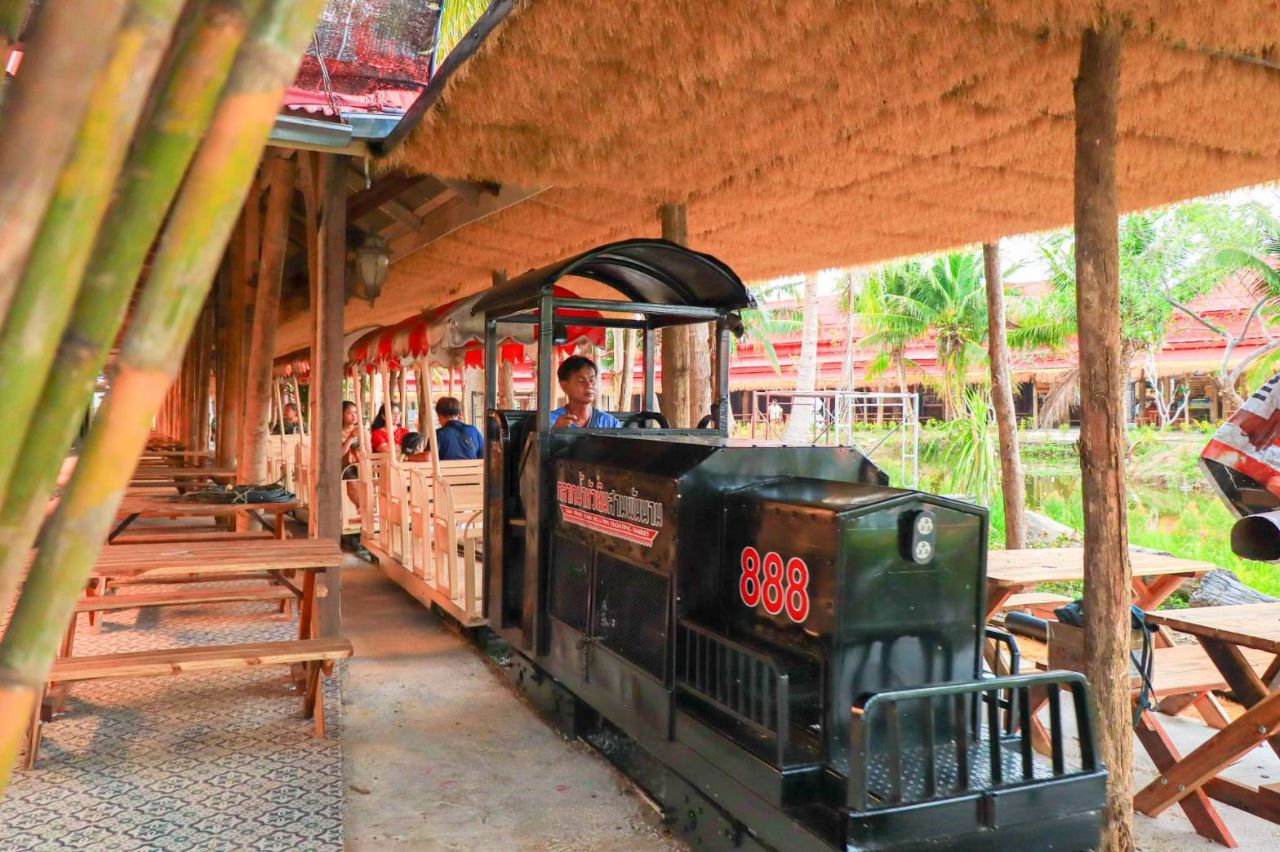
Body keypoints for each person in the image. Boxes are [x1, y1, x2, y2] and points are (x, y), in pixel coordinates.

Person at [550, 355, 621, 429]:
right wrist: (555, 431)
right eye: (581, 381)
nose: (589, 385)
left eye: (592, 380)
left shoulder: (610, 424)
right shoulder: (550, 422)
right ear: (564, 386)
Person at [341, 401, 362, 512]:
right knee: (351, 477)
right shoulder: (337, 433)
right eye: (349, 413)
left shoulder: (362, 431)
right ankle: (361, 508)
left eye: (355, 412)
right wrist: (350, 438)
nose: (354, 416)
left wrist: (364, 438)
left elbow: (368, 451)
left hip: (359, 463)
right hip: (344, 465)